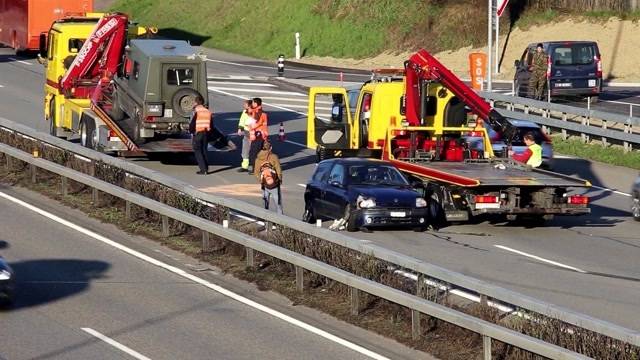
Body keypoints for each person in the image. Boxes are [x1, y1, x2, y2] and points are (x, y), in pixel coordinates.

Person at [255, 141, 283, 214]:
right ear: (270, 148)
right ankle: (280, 222)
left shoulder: (258, 159)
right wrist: (279, 179)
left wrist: (262, 181)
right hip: (275, 185)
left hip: (265, 185)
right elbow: (278, 170)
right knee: (278, 204)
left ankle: (266, 222)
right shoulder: (274, 157)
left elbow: (256, 173)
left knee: (265, 204)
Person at [189, 95, 213, 175]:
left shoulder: (196, 111)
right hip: (206, 133)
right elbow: (212, 124)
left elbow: (192, 124)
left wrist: (191, 132)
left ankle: (203, 169)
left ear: (196, 102)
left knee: (198, 151)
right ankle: (206, 168)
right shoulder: (208, 111)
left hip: (198, 133)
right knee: (204, 150)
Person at [248, 97, 268, 174]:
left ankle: (256, 169)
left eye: (253, 103)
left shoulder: (258, 112)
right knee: (258, 153)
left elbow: (257, 123)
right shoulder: (260, 111)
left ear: (256, 104)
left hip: (258, 135)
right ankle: (257, 168)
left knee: (254, 153)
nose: (252, 104)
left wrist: (250, 127)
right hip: (261, 135)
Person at [236, 99, 254, 172]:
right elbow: (242, 120)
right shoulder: (244, 112)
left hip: (253, 132)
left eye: (245, 104)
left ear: (249, 105)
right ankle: (244, 166)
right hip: (246, 132)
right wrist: (240, 128)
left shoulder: (254, 112)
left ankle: (254, 167)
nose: (244, 105)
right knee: (245, 149)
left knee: (253, 150)